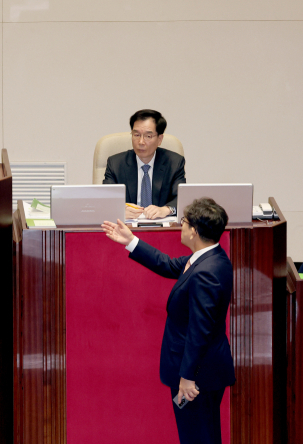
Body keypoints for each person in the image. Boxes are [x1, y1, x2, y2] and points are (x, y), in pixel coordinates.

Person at [101, 198, 235, 444]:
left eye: (184, 222)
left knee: (198, 437)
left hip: (197, 377)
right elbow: (166, 264)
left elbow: (200, 330)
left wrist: (187, 377)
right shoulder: (208, 258)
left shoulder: (206, 272)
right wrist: (131, 241)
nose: (181, 226)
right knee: (200, 434)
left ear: (194, 231)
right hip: (201, 372)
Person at [103, 109, 186, 220]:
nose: (141, 142)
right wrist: (119, 211)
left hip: (160, 226)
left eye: (148, 136)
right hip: (127, 228)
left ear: (160, 139)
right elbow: (106, 200)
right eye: (136, 135)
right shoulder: (116, 164)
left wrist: (165, 209)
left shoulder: (174, 162)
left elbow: (181, 198)